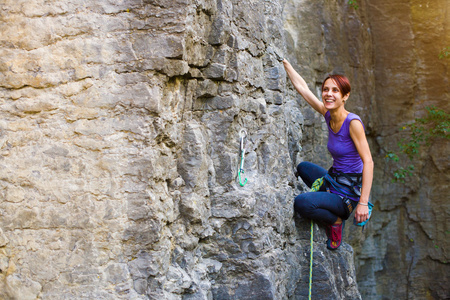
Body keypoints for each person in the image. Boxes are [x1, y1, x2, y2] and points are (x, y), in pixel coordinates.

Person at [283, 59, 374, 250]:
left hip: (347, 195)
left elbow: (368, 161)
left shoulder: (353, 123)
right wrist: (285, 64)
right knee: (303, 168)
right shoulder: (328, 114)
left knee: (302, 203)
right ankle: (326, 198)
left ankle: (335, 221)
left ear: (345, 96)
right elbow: (304, 89)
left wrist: (363, 203)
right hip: (332, 181)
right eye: (326, 89)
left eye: (335, 91)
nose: (328, 94)